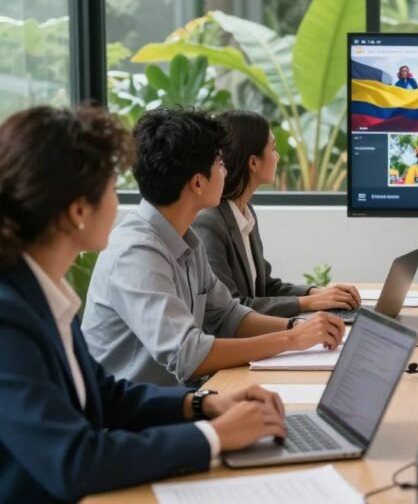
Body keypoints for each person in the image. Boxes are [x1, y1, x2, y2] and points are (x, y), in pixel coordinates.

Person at [0, 106, 287, 502]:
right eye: (111, 188)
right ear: (78, 211)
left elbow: (106, 395)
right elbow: (74, 461)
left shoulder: (42, 295)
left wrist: (205, 405)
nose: (119, 202)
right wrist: (214, 435)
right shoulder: (8, 319)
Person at [82, 107, 345, 386]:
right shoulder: (136, 253)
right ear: (197, 183)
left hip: (177, 401)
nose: (226, 169)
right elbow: (188, 354)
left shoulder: (186, 240)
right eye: (220, 163)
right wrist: (291, 339)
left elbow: (228, 316)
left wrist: (299, 328)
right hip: (136, 418)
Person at [193, 111, 362, 318]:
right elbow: (232, 309)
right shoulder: (209, 222)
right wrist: (309, 303)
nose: (277, 156)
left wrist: (317, 293)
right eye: (273, 149)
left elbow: (266, 287)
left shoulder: (244, 211)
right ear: (253, 162)